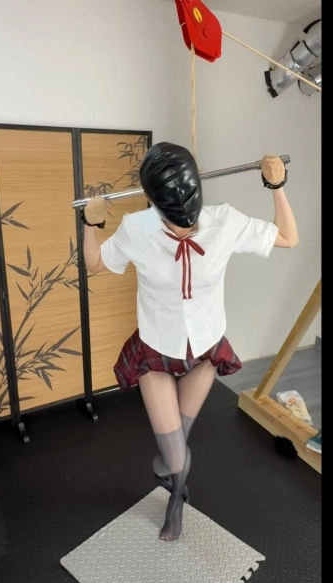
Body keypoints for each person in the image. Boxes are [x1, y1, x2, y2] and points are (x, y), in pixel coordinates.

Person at [80, 142, 299, 542]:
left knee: (174, 452)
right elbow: (94, 263)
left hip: (205, 351)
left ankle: (175, 492)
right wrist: (90, 224)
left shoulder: (224, 222)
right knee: (175, 453)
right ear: (153, 201)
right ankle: (176, 492)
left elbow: (288, 237)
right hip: (156, 352)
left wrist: (277, 185)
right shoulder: (136, 229)